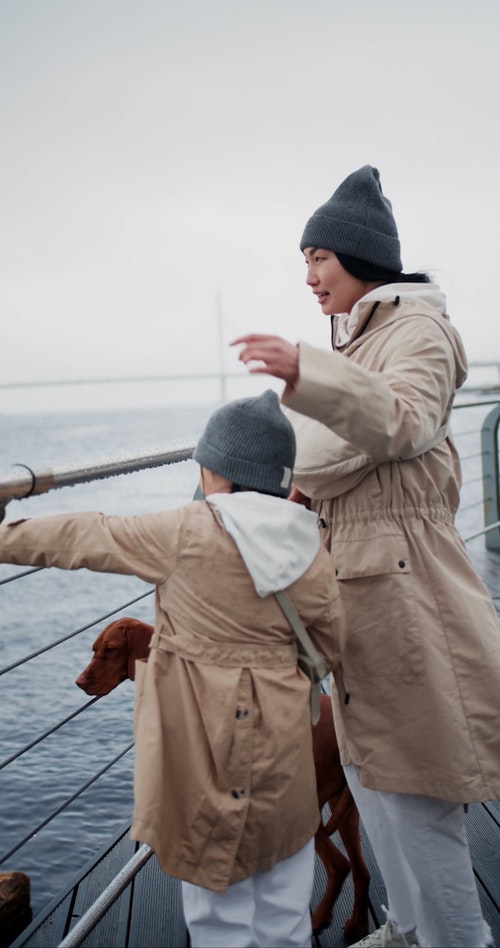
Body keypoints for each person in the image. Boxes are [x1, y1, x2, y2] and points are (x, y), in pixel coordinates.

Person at [232, 166, 500, 948]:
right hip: (358, 582)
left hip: (404, 586)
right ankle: (409, 927)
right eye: (304, 260)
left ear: (361, 256)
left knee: (418, 798)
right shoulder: (362, 339)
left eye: (319, 256)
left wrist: (305, 379)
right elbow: (326, 456)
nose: (309, 276)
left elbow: (404, 422)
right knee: (372, 780)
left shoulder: (416, 332)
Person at [0, 389, 345, 948]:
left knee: (218, 919)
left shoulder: (184, 532)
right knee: (283, 912)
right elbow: (330, 643)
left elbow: (84, 535)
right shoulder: (311, 543)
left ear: (220, 474)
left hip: (203, 754)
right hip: (284, 749)